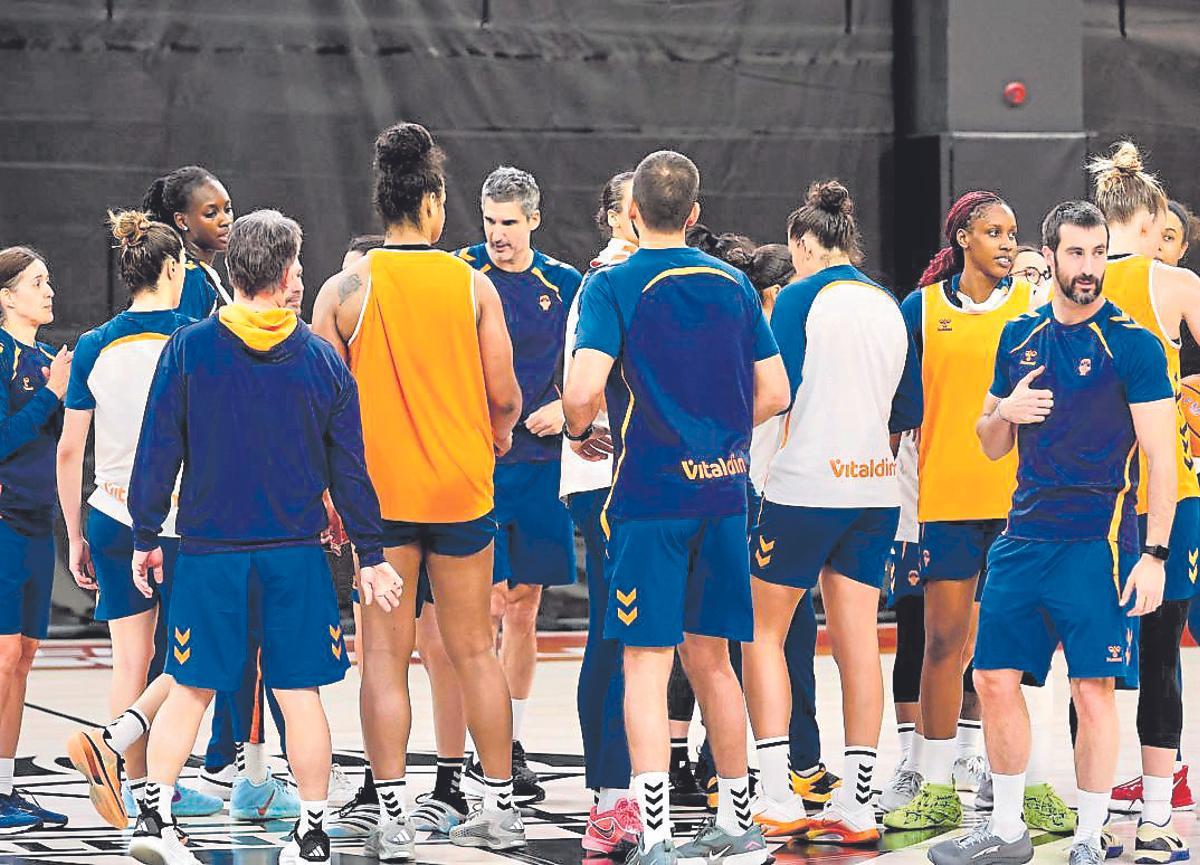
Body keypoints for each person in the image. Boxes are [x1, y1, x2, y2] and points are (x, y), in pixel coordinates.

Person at [126, 209, 401, 865]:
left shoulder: (189, 349)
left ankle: (155, 816)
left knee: (189, 686)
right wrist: (372, 553)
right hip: (294, 558)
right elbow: (352, 471)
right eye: (300, 266)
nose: (303, 277)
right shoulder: (322, 363)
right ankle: (310, 830)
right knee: (297, 693)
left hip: (210, 555)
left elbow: (156, 452)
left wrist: (143, 533)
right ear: (285, 276)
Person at [928, 200, 1175, 865]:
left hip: (1095, 543)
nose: (1089, 267)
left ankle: (1091, 837)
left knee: (1091, 692)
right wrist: (1005, 410)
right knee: (994, 677)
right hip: (1021, 538)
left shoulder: (1133, 344)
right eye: (1075, 253)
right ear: (1052, 255)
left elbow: (1161, 458)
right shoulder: (1019, 335)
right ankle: (1006, 827)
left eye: (1098, 253)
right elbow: (988, 442)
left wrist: (1154, 553)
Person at [565, 149, 789, 865]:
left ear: (631, 213)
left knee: (645, 665)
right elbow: (777, 391)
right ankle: (738, 823)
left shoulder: (612, 285)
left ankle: (657, 837)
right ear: (694, 215)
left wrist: (580, 430)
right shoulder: (732, 284)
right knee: (715, 662)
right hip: (723, 496)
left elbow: (579, 391)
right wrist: (719, 436)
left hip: (650, 499)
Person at [312, 120, 525, 856]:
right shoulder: (473, 285)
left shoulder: (344, 290)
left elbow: (320, 411)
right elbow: (505, 396)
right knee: (474, 651)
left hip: (381, 503)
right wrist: (496, 438)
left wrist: (330, 497)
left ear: (383, 206)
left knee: (384, 658)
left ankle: (395, 815)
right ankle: (497, 807)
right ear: (433, 204)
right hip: (463, 491)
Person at [884, 192, 1072, 833]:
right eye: (993, 232)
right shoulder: (922, 307)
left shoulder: (1034, 308)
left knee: (1016, 650)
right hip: (948, 499)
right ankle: (934, 781)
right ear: (962, 237)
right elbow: (899, 403)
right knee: (943, 644)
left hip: (1024, 505)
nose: (1005, 243)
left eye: (1013, 234)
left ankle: (1023, 776)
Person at [742, 180, 920, 845]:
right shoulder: (888, 304)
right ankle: (860, 805)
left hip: (804, 488)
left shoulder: (796, 297)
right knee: (857, 645)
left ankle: (778, 792)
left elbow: (771, 389)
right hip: (873, 490)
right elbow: (908, 412)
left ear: (802, 244)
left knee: (761, 632)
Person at [60, 211, 221, 828]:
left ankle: (130, 787)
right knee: (190, 656)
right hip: (182, 519)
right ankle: (156, 784)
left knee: (131, 658)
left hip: (109, 512)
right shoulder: (195, 335)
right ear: (175, 267)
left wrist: (75, 532)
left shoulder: (98, 342)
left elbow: (70, 448)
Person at [453, 166, 582, 804]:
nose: (498, 235)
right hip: (476, 465)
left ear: (533, 219)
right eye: (489, 222)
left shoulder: (564, 284)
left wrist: (565, 405)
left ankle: (514, 742)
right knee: (488, 605)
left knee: (526, 604)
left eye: (509, 222)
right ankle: (487, 747)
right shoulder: (457, 274)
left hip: (540, 465)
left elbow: (592, 363)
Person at [1085, 142, 1200, 850]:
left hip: (1096, 493)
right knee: (1163, 652)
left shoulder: (1070, 283)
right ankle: (1158, 811)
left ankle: (1093, 817)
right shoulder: (1177, 283)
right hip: (1171, 488)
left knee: (1090, 666)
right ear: (1155, 219)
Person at [569, 169, 643, 856]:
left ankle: (606, 788)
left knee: (608, 634)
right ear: (612, 216)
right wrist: (575, 422)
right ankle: (617, 796)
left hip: (604, 477)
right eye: (631, 207)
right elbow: (581, 390)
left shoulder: (613, 277)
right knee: (624, 637)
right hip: (614, 481)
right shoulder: (616, 278)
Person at [0, 247, 71, 834]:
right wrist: (52, 394)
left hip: (36, 522)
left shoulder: (49, 358)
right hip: (2, 523)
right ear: (7, 296)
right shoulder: (1, 356)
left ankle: (7, 789)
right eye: (37, 283)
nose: (49, 291)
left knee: (23, 659)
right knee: (1, 658)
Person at [143, 166, 234, 319]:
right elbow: (179, 340)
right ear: (181, 220)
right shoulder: (188, 279)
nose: (226, 220)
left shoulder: (196, 274)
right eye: (211, 214)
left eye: (228, 209)